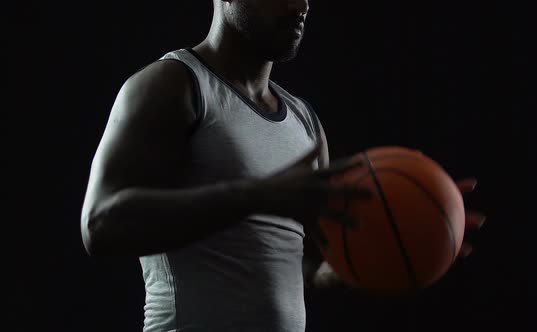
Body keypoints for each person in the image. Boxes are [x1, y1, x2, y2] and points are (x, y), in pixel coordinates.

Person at [80, 0, 486, 331]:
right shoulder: (172, 86)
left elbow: (300, 264)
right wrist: (259, 195)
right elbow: (100, 225)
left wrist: (364, 259)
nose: (301, 5)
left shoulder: (304, 122)